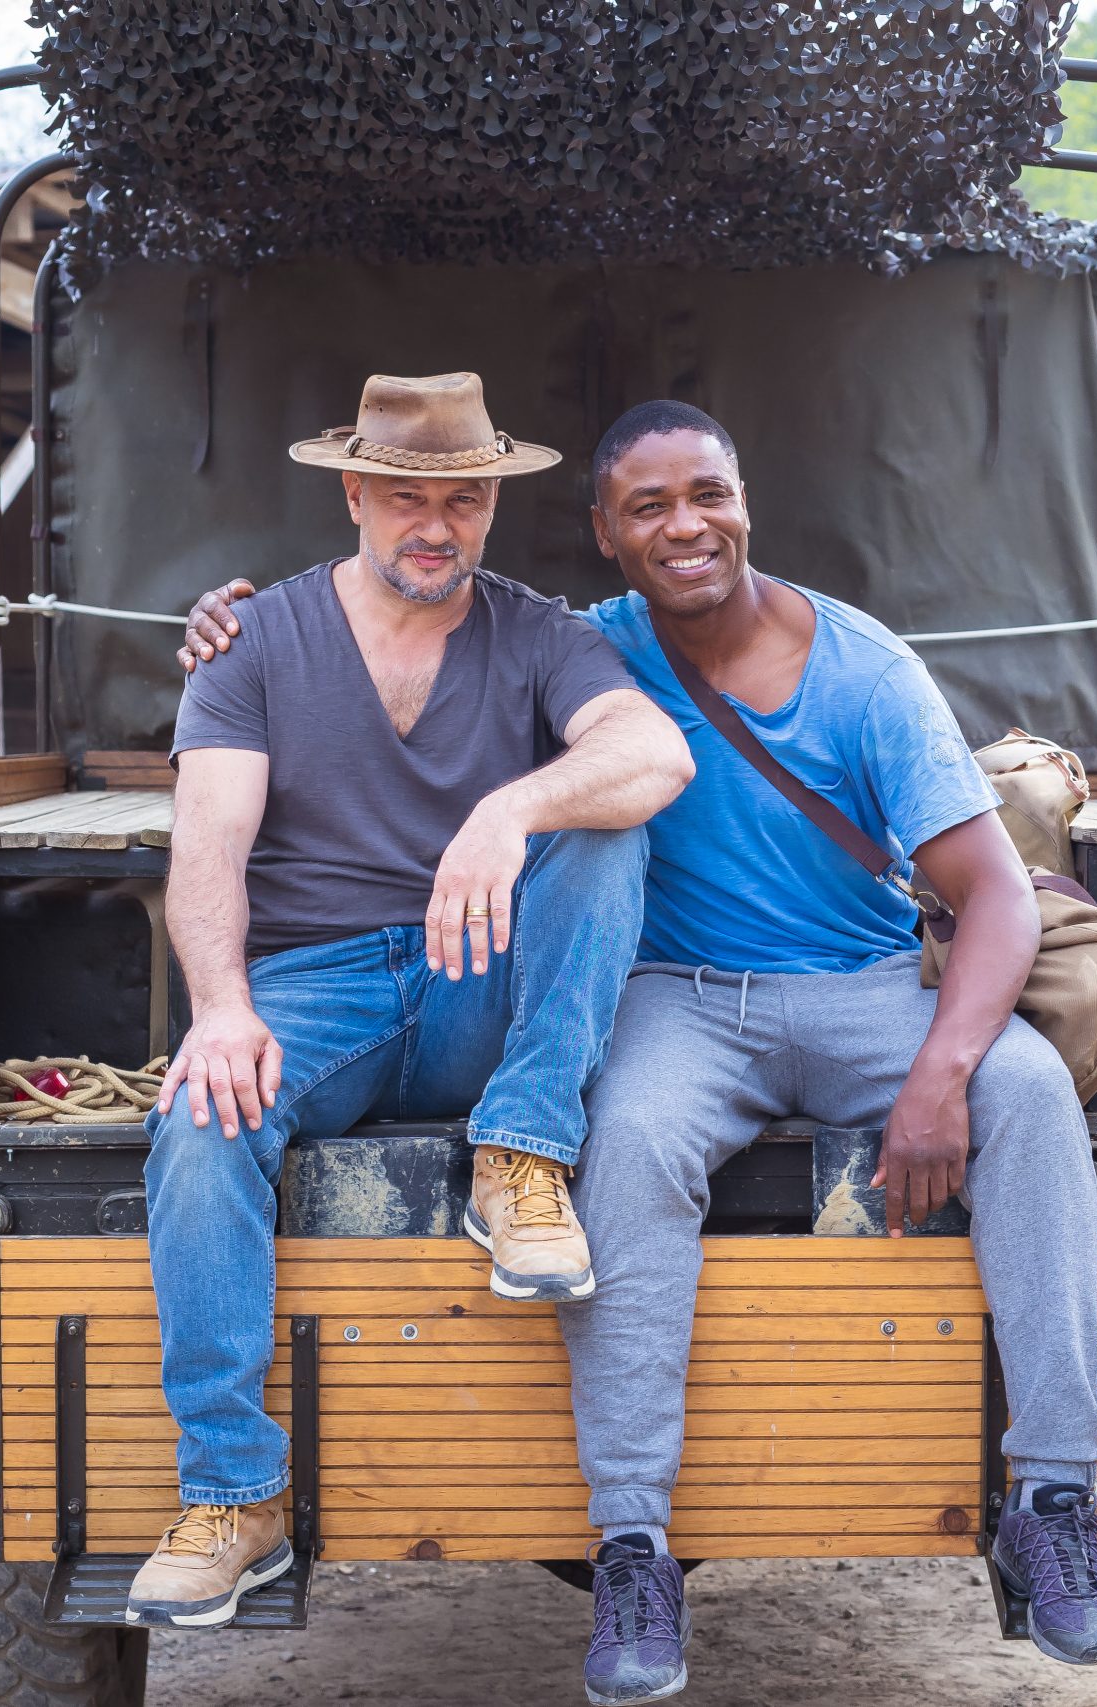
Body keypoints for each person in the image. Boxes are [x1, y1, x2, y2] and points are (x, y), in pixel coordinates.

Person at [177, 401, 1097, 1698]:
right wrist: (222, 627)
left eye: (708, 495)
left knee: (1028, 1092)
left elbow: (998, 896)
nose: (687, 526)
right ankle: (632, 1544)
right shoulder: (581, 645)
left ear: (745, 500)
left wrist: (941, 1074)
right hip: (678, 1000)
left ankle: (1055, 1499)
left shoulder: (864, 668)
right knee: (617, 1139)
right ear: (605, 535)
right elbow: (403, 637)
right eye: (650, 507)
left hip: (860, 988)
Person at [128, 373, 694, 1631]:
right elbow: (207, 845)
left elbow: (654, 753)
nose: (435, 525)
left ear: (493, 502)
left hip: (480, 976)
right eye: (405, 498)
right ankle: (233, 1495)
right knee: (200, 1123)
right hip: (315, 988)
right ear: (354, 494)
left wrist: (512, 808)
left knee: (606, 830)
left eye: (463, 499)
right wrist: (221, 1009)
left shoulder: (539, 633)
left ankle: (521, 1155)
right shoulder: (254, 641)